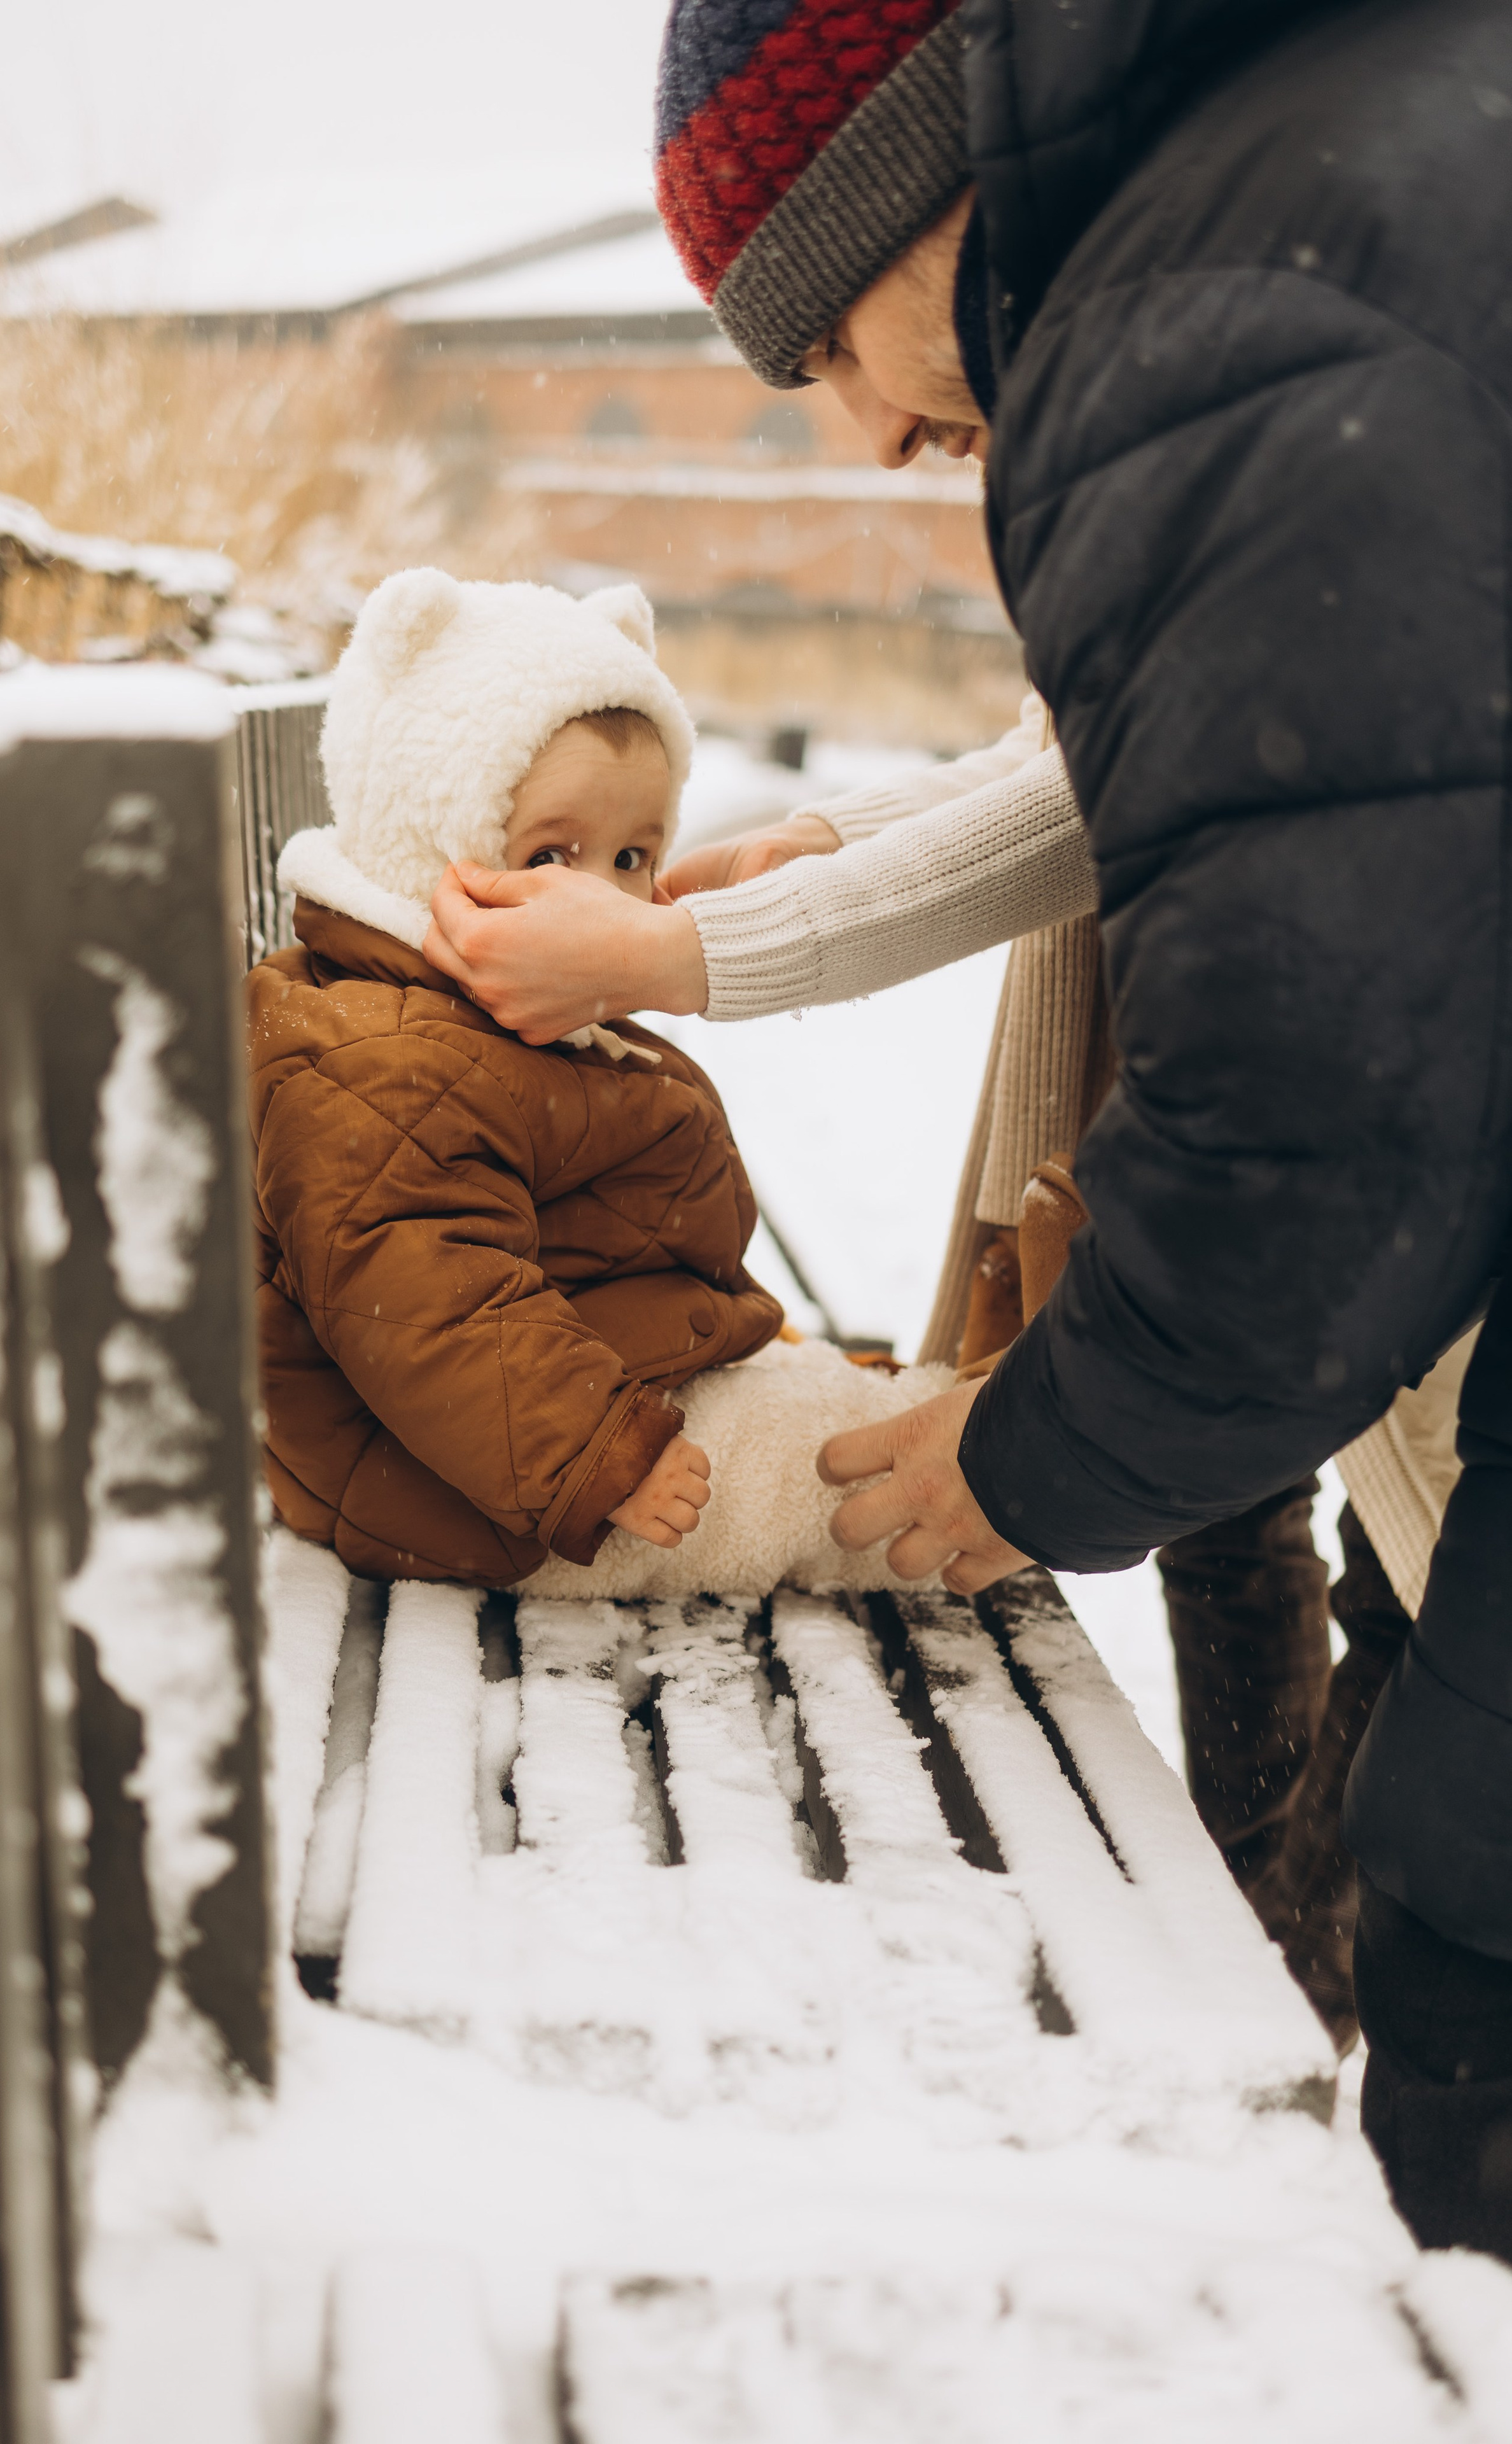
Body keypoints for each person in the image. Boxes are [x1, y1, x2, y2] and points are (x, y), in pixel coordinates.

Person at [424, 0, 1512, 2252]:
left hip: (1381, 1344)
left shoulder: (1198, 305)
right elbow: (1222, 770)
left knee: (1466, 2080)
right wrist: (777, 900)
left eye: (819, 348)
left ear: (911, 184)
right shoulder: (1354, 165)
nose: (862, 437)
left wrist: (1038, 1455)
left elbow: (1309, 1118)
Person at [248, 565, 777, 1584]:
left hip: (556, 1399)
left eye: (633, 858)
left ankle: (984, 1399)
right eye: (549, 856)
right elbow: (430, 1303)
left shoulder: (486, 1019)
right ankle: (996, 1426)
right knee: (818, 1490)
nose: (601, 900)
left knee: (826, 1440)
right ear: (426, 840)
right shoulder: (383, 1062)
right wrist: (599, 1454)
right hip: (469, 1481)